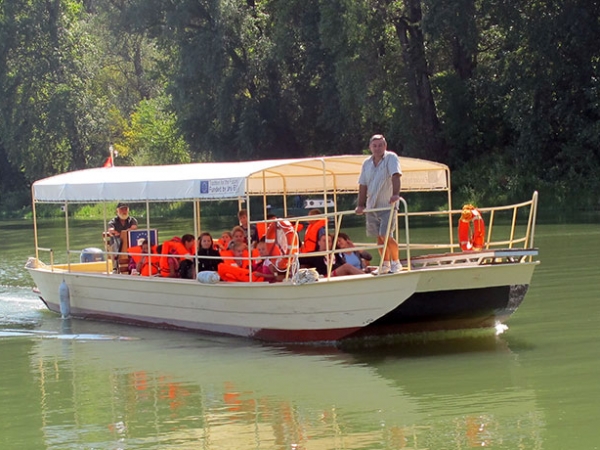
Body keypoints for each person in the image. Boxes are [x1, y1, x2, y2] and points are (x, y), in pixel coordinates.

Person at [355, 134, 402, 274]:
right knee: (379, 237)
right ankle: (385, 264)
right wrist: (360, 205)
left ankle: (396, 262)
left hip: (388, 205)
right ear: (370, 147)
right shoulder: (366, 163)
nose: (377, 148)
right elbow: (362, 184)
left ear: (385, 146)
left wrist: (395, 194)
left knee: (386, 234)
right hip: (371, 206)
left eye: (380, 145)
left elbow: (396, 175)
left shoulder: (391, 158)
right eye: (374, 146)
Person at [107, 202, 138, 269]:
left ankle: (133, 267)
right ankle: (115, 267)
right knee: (115, 244)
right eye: (122, 209)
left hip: (129, 243)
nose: (124, 211)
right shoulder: (113, 221)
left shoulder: (132, 220)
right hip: (116, 243)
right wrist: (115, 232)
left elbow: (134, 227)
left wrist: (123, 233)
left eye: (125, 209)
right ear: (117, 211)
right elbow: (111, 230)